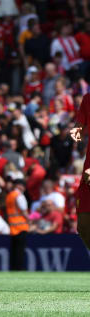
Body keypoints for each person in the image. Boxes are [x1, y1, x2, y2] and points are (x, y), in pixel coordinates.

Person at [70, 93, 90, 250]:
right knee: (83, 226)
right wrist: (74, 135)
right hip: (88, 173)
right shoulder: (88, 99)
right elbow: (78, 127)